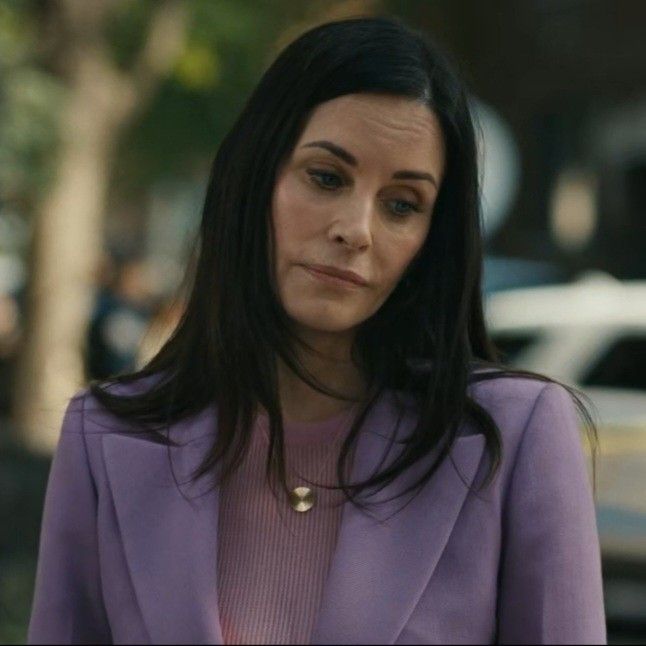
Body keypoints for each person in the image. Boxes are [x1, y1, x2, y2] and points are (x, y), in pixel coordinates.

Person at [27, 15, 606, 645]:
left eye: (402, 205)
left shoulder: (515, 440)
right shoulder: (107, 438)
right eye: (327, 178)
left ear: (431, 239)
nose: (356, 229)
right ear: (255, 179)